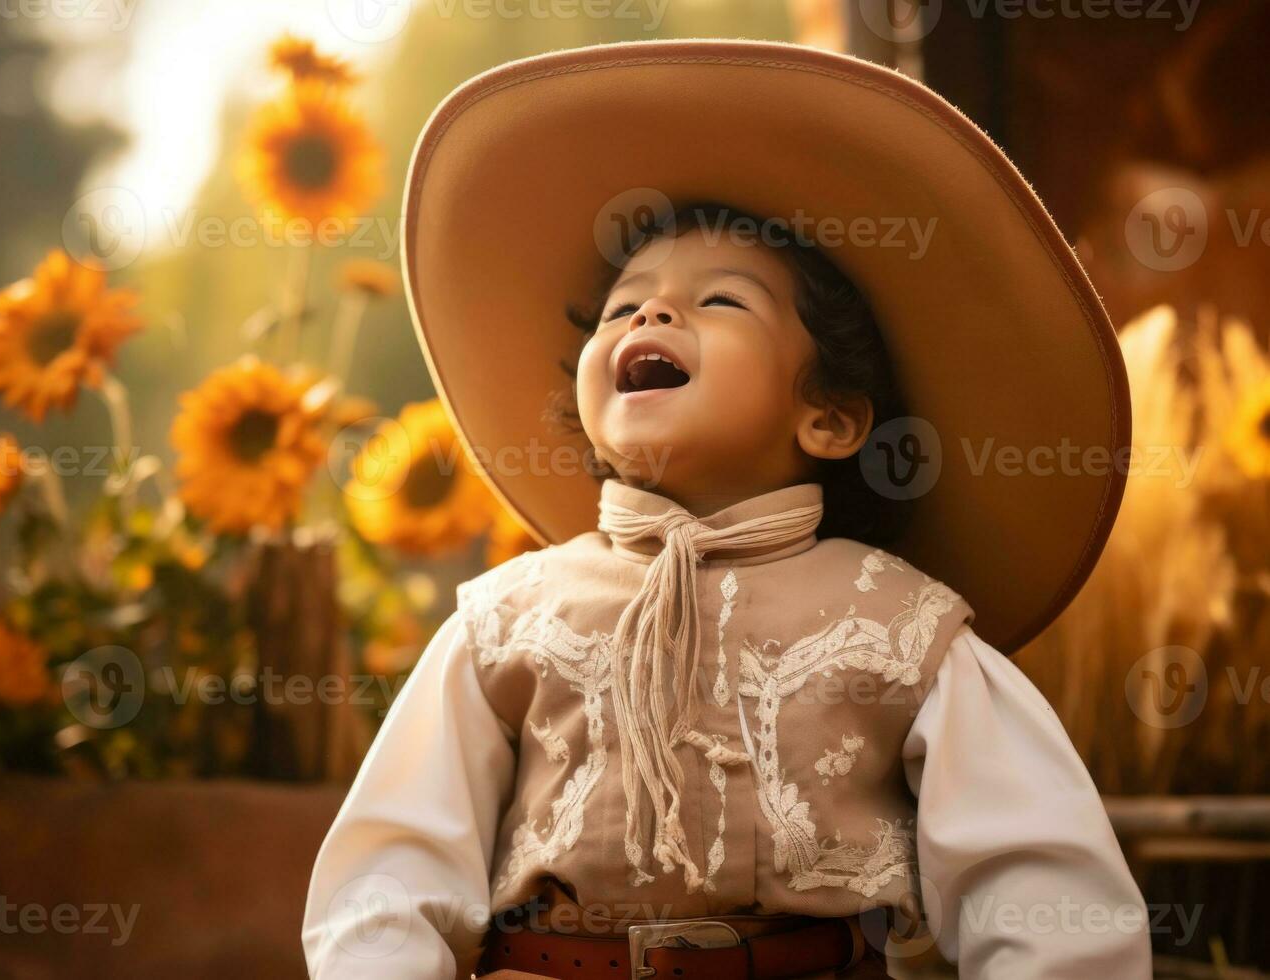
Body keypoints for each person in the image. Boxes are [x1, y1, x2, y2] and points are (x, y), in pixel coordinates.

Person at [303, 39, 1153, 979]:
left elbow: (1042, 890)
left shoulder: (902, 627)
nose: (647, 320)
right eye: (622, 307)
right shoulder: (507, 621)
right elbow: (386, 877)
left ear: (827, 417)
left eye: (716, 300)